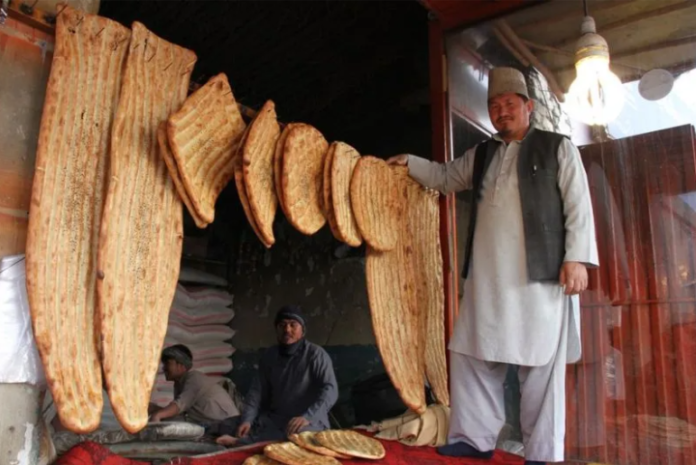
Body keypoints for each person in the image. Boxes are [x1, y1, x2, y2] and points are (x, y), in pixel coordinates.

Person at [387, 67, 598, 465]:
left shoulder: (557, 147)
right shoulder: (482, 154)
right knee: (472, 355)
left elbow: (578, 204)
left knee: (540, 373)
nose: (501, 112)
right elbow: (446, 177)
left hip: (541, 280)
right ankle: (472, 439)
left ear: (529, 107)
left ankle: (542, 454)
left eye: (509, 105)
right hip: (487, 279)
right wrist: (410, 162)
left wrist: (577, 259)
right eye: (494, 107)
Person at [213, 305, 338, 447]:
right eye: (282, 325)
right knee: (227, 425)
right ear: (276, 329)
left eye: (293, 325)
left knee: (297, 438)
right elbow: (256, 392)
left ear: (302, 330)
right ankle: (252, 440)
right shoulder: (270, 355)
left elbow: (330, 390)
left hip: (307, 421)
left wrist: (307, 416)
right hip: (276, 419)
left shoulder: (316, 355)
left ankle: (241, 442)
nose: (287, 330)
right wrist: (247, 420)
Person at [149, 344, 239, 426]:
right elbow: (179, 412)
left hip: (228, 425)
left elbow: (179, 405)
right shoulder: (178, 383)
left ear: (181, 366)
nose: (164, 368)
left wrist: (157, 414)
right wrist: (154, 409)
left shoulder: (194, 378)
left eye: (167, 363)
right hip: (212, 425)